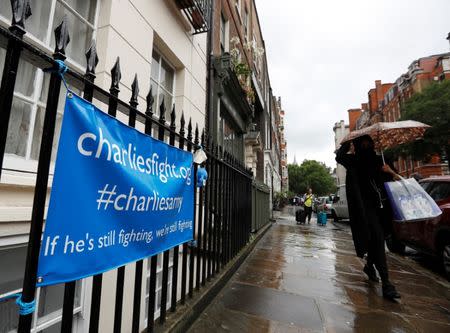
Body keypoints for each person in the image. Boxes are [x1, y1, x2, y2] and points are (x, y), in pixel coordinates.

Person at [335, 135, 401, 300]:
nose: (366, 144)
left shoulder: (381, 160)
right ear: (357, 145)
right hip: (366, 209)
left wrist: (390, 171)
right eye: (361, 142)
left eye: (368, 142)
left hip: (384, 209)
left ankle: (369, 266)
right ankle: (387, 284)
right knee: (377, 239)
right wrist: (346, 144)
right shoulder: (353, 160)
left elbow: (399, 181)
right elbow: (339, 156)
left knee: (378, 239)